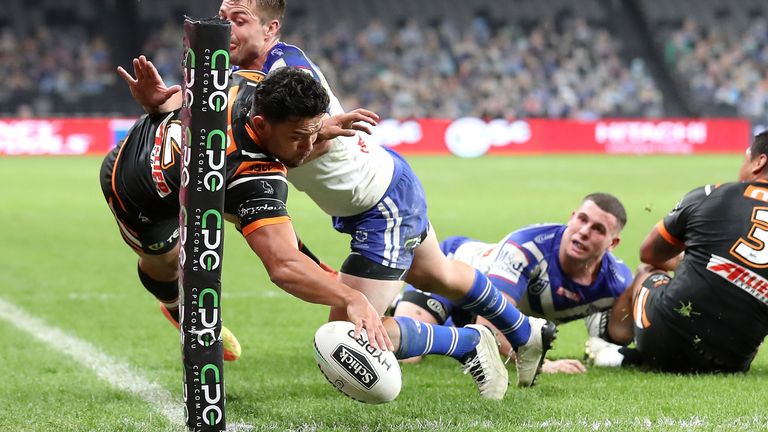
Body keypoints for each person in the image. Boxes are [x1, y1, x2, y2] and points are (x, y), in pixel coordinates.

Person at [123, 0, 556, 396]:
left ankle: (467, 342)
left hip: (379, 207)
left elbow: (307, 139)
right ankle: (523, 332)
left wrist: (290, 143)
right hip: (387, 179)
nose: (226, 29)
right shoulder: (242, 73)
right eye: (223, 18)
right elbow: (219, 105)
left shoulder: (286, 70)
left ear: (271, 28)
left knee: (347, 335)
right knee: (438, 275)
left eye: (239, 20)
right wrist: (164, 104)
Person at [102, 67, 392, 362]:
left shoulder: (249, 80)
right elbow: (283, 267)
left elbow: (184, 99)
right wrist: (352, 297)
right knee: (167, 261)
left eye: (312, 132)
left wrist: (158, 102)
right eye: (298, 136)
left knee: (268, 225)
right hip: (137, 190)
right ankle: (180, 311)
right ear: (261, 124)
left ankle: (322, 272)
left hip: (198, 165)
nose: (308, 146)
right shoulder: (251, 177)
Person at [393, 193, 633, 373]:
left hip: (479, 309)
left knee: (465, 331)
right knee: (408, 355)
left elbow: (618, 331)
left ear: (613, 244)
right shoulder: (527, 247)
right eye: (582, 219)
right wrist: (542, 365)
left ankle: (431, 316)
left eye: (598, 229)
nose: (583, 231)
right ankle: (402, 305)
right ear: (572, 218)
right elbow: (490, 323)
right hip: (450, 272)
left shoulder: (617, 282)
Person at [590, 132, 768, 372]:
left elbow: (649, 253)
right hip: (733, 362)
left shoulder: (712, 194)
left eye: (745, 159)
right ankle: (626, 356)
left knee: (647, 270)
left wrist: (698, 260)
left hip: (663, 337)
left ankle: (609, 339)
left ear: (759, 162)